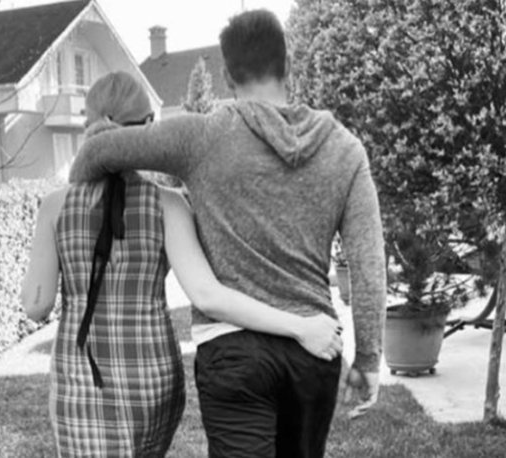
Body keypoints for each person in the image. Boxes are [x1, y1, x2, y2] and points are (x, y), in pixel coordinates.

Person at [67, 10, 387, 458]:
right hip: (313, 351)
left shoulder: (202, 135)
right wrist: (368, 358)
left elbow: (97, 150)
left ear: (226, 75)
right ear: (288, 64)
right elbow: (369, 263)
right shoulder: (345, 151)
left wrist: (77, 203)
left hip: (233, 352)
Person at [21, 71, 344, 458]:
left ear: (88, 125)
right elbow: (208, 296)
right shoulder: (168, 204)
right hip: (151, 377)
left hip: (79, 379)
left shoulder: (55, 206)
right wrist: (300, 326)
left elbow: (35, 306)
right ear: (148, 128)